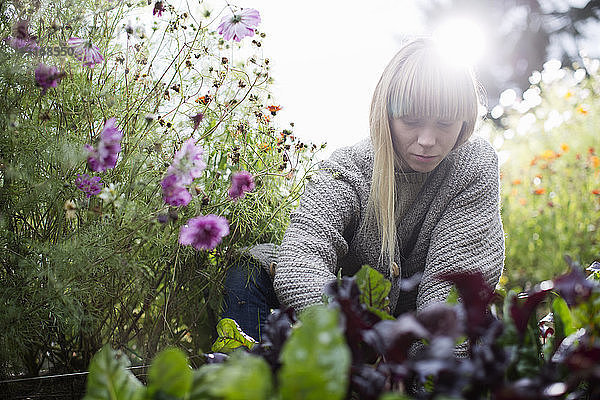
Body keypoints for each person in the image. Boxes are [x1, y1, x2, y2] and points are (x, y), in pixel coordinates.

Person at [220, 36, 505, 343]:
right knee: (246, 273)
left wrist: (418, 368)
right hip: (353, 324)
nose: (427, 139)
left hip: (418, 332)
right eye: (411, 121)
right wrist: (359, 342)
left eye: (445, 124)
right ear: (387, 115)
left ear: (464, 121)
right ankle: (255, 377)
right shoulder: (348, 169)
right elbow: (302, 258)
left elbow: (451, 290)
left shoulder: (472, 167)